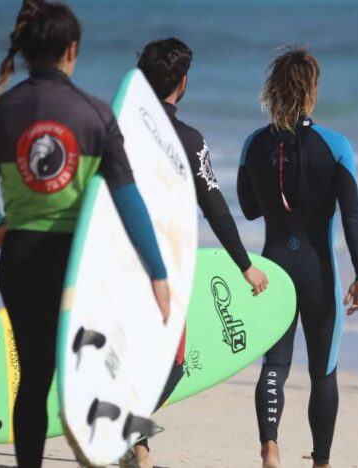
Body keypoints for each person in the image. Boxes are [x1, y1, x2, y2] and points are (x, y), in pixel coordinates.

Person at [0, 2, 169, 466]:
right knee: (92, 369)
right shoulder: (95, 115)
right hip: (78, 267)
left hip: (19, 260)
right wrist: (158, 271)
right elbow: (129, 201)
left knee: (34, 378)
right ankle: (105, 446)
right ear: (72, 49)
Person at [119, 37, 270, 468]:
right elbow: (215, 208)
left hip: (115, 260)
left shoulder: (117, 131)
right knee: (172, 364)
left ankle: (137, 452)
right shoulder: (189, 140)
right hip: (164, 269)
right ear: (182, 83)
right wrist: (245, 265)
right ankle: (123, 429)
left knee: (131, 357)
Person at [237, 48, 358, 468]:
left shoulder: (254, 143)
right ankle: (321, 462)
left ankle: (270, 447)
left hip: (273, 266)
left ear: (273, 88)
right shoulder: (336, 145)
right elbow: (351, 213)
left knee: (274, 365)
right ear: (312, 90)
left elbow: (249, 209)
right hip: (319, 271)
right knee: (323, 371)